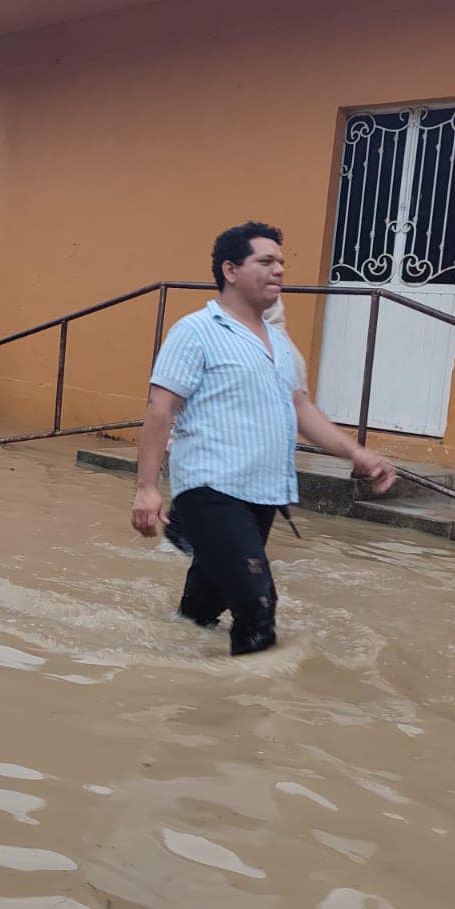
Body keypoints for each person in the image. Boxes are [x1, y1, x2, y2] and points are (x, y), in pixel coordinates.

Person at [131, 221, 396, 656]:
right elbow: (160, 409)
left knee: (205, 607)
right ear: (231, 270)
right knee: (257, 604)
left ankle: (176, 668)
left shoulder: (277, 342)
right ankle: (242, 711)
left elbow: (301, 410)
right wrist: (146, 490)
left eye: (281, 264)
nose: (279, 271)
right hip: (212, 489)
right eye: (266, 261)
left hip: (263, 493)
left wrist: (358, 454)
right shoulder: (196, 331)